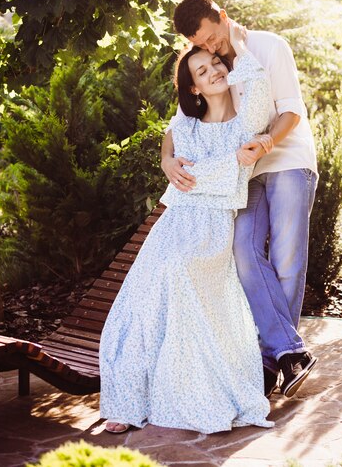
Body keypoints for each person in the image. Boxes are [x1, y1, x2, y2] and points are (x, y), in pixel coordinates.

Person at [100, 27, 275, 434]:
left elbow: (259, 80)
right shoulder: (189, 123)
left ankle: (190, 393)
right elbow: (169, 137)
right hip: (174, 222)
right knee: (138, 299)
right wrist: (166, 161)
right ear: (193, 87)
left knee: (178, 271)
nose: (213, 70)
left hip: (212, 227)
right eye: (202, 69)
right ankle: (129, 403)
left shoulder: (245, 122)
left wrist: (232, 38)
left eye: (215, 62)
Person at [161, 0, 318, 398]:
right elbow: (178, 121)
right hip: (244, 174)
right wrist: (166, 160)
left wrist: (266, 142)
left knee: (286, 258)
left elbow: (291, 110)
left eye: (213, 39)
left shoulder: (268, 46)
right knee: (244, 251)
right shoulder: (215, 65)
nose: (212, 50)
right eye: (203, 44)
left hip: (286, 161)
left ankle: (272, 358)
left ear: (223, 17)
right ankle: (287, 352)